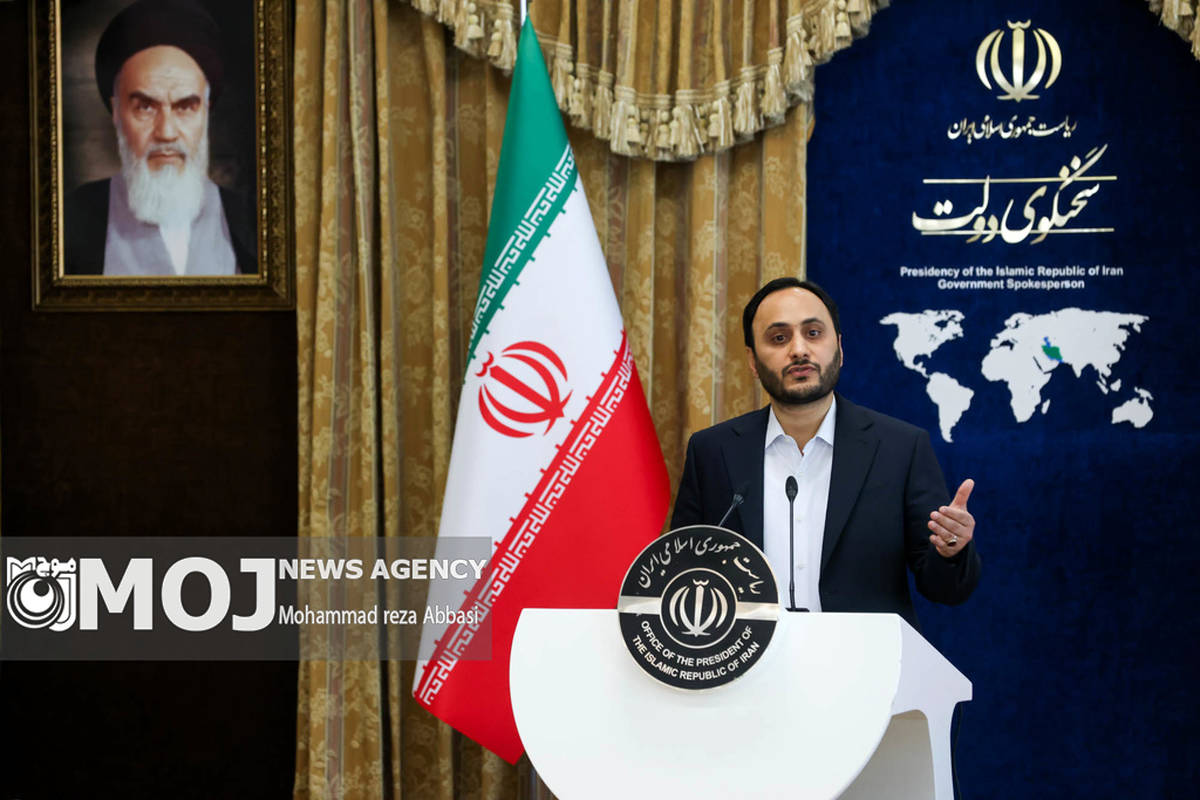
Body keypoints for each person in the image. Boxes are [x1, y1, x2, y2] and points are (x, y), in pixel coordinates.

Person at [671, 277, 981, 628]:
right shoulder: (712, 451)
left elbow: (945, 590)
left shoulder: (900, 448)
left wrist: (952, 549)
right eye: (779, 338)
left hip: (862, 658)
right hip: (748, 658)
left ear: (840, 348)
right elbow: (683, 572)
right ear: (753, 361)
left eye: (813, 333)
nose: (799, 350)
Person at [63, 0, 254, 276]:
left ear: (206, 112)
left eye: (185, 107)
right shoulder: (69, 221)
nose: (166, 132)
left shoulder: (252, 223)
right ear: (116, 112)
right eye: (145, 107)